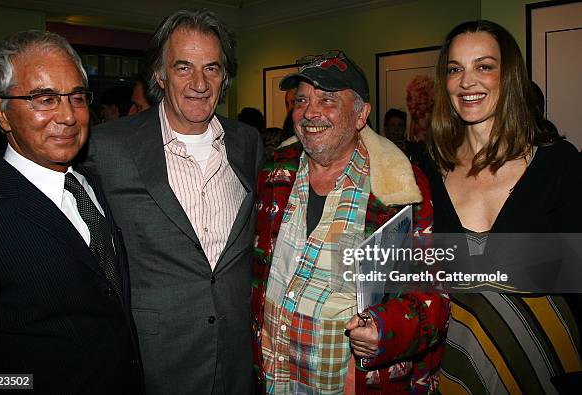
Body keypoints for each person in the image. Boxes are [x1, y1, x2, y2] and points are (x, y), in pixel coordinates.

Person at [83, 9, 263, 395]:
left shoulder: (248, 143)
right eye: (183, 68)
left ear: (224, 77)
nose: (199, 83)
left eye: (212, 69)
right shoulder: (109, 147)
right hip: (155, 360)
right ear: (160, 75)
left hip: (236, 361)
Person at [251, 50, 449, 394]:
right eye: (301, 99)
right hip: (272, 377)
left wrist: (383, 330)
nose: (309, 112)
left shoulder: (399, 187)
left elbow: (433, 293)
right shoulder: (274, 171)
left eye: (327, 99)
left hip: (345, 384)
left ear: (361, 115)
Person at [0, 30, 143, 393]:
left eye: (77, 97)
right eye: (43, 99)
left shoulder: (93, 183)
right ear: (0, 112)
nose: (68, 116)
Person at [422, 20, 582, 394]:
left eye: (484, 66)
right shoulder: (427, 169)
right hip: (457, 363)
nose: (467, 82)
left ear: (508, 75)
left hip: (548, 365)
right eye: (455, 69)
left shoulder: (558, 164)